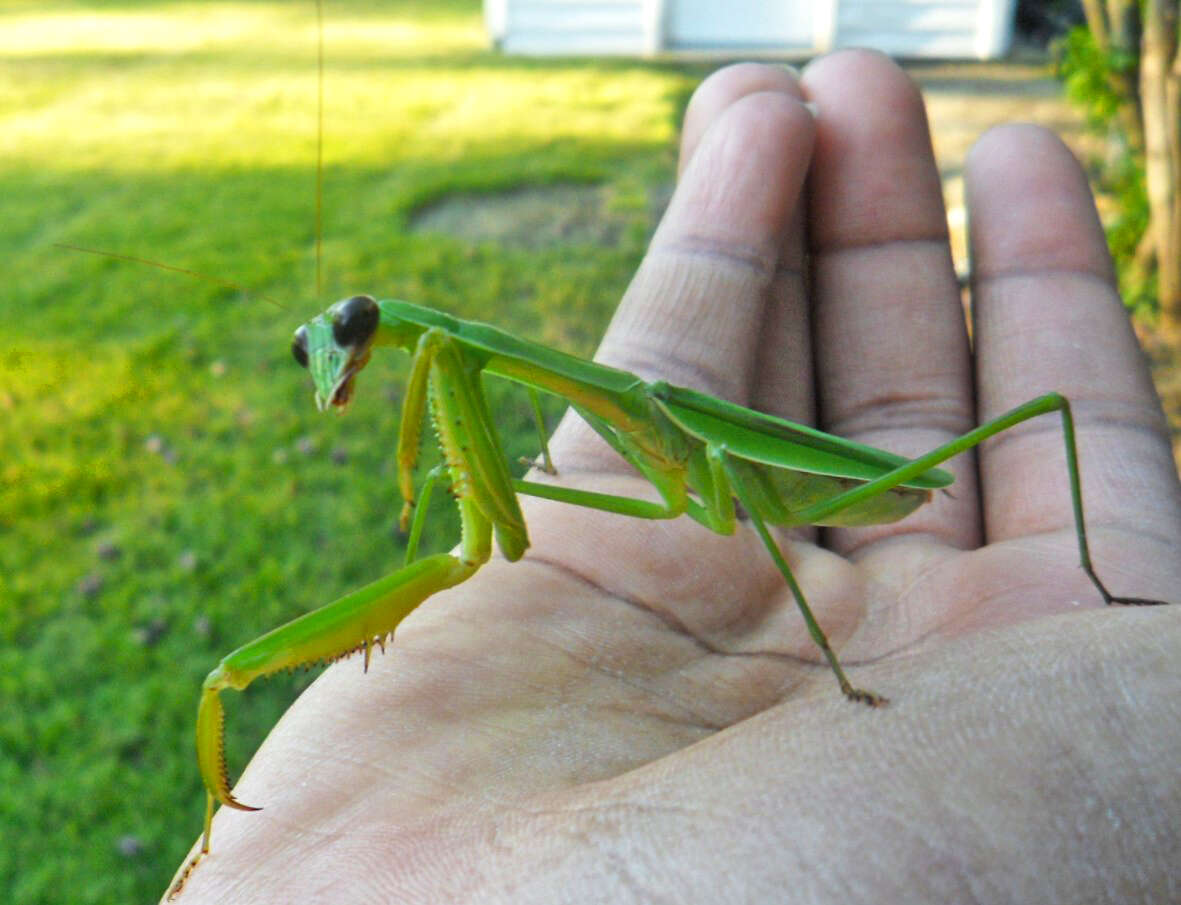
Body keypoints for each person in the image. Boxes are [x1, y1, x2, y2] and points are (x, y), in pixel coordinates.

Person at [168, 53, 1181, 903]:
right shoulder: (451, 364)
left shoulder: (458, 359)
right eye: (325, 350)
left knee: (1043, 409)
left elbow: (467, 405)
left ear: (384, 330)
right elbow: (484, 510)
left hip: (839, 479)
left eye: (347, 339)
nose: (340, 362)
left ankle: (1076, 584)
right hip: (726, 465)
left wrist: (834, 667)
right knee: (448, 498)